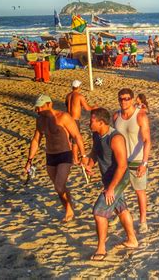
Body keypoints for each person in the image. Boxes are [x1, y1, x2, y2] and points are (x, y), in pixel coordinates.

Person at [24, 94, 88, 223]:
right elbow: (36, 140)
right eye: (36, 108)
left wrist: (83, 155)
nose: (38, 111)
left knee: (59, 186)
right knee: (59, 187)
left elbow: (76, 136)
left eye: (40, 108)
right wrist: (29, 160)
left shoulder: (63, 117)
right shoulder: (40, 120)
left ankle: (69, 210)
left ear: (49, 104)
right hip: (50, 156)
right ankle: (69, 207)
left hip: (64, 154)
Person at [86, 108, 138, 261]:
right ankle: (132, 240)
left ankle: (101, 248)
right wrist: (90, 164)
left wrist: (111, 188)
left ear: (101, 123)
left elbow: (122, 166)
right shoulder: (96, 134)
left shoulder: (115, 138)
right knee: (121, 209)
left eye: (92, 121)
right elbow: (96, 151)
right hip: (109, 180)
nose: (89, 123)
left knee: (99, 212)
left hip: (120, 179)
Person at [113, 88, 151, 233]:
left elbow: (147, 141)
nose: (124, 101)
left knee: (139, 191)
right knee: (117, 190)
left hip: (137, 160)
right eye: (121, 99)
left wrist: (144, 163)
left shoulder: (140, 116)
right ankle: (120, 213)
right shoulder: (116, 116)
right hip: (120, 160)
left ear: (133, 99)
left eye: (127, 98)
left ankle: (143, 221)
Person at [65, 80, 97, 164]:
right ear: (79, 87)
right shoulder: (79, 96)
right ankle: (75, 159)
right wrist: (94, 107)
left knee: (69, 139)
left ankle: (70, 157)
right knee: (75, 140)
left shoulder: (68, 95)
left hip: (67, 119)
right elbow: (87, 108)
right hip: (75, 120)